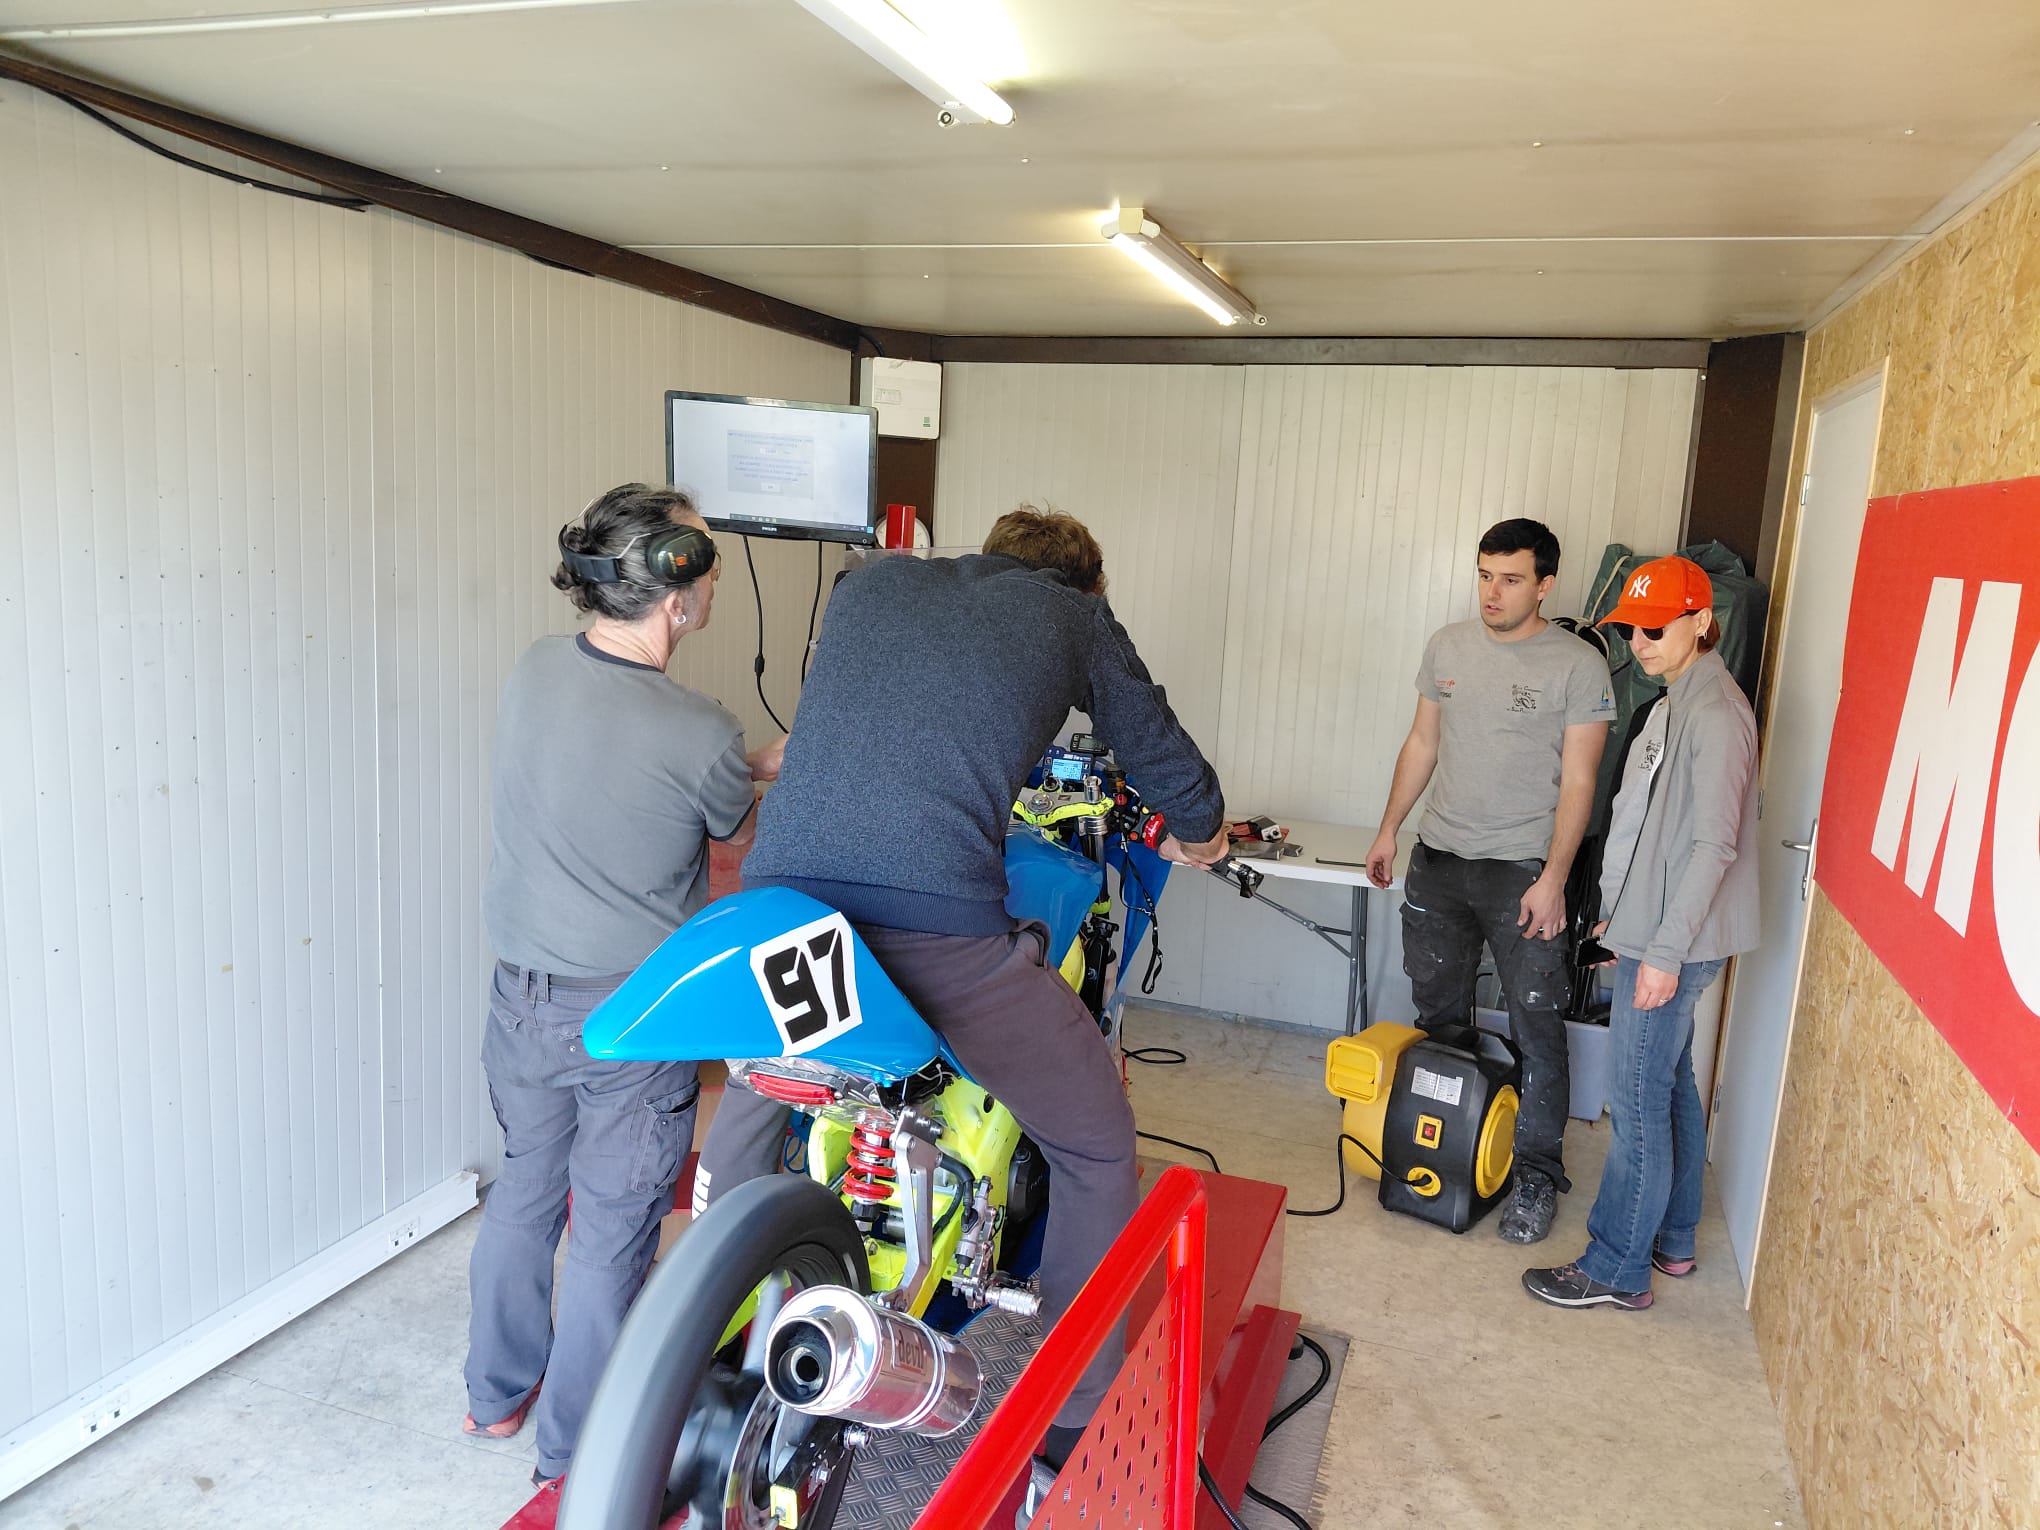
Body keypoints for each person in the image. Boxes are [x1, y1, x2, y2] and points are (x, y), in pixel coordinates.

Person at [694, 505, 1228, 1473]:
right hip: (931, 919)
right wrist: (1204, 827)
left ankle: (705, 1335)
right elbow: (1168, 766)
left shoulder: (873, 583)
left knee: (767, 1079)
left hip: (787, 905)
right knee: (1096, 1142)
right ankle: (1075, 1420)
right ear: (1088, 586)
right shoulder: (1075, 618)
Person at [462, 483, 785, 1487]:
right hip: (629, 1022)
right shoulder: (698, 731)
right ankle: (580, 1457)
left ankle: (493, 1400)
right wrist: (762, 767)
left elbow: (631, 773)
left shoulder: (531, 671)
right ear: (678, 591)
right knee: (611, 1235)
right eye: (707, 558)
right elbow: (729, 825)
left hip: (519, 998)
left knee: (523, 1197)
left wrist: (745, 763)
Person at [1363, 518, 1614, 1244]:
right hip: (1439, 860)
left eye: (1509, 579)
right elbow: (1423, 742)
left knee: (1537, 1023)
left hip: (1520, 874)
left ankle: (1536, 1175)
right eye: (1483, 575)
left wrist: (1555, 877)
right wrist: (1390, 829)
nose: (1492, 592)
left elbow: (1580, 780)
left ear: (1545, 584)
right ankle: (1453, 1141)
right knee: (1438, 1013)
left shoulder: (1577, 665)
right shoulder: (1447, 646)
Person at [1523, 556, 1760, 1310]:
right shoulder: (1675, 701)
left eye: (1655, 628)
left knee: (1635, 1101)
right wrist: (1621, 918)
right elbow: (1652, 829)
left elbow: (1713, 847)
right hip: (1658, 930)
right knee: (1667, 1090)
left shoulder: (1716, 714)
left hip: (1676, 942)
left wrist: (1659, 952)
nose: (1641, 643)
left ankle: (1616, 1265)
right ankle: (1674, 1238)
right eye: (1631, 628)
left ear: (1700, 620)